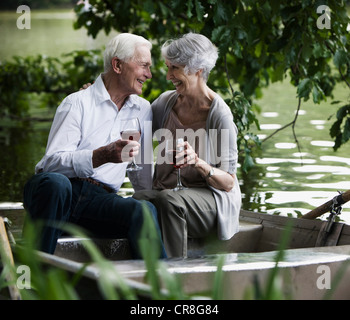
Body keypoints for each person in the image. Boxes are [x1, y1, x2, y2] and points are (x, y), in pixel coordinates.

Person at [23, 33, 167, 259]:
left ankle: (161, 288)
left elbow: (143, 172)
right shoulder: (77, 102)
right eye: (143, 66)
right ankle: (34, 277)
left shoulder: (143, 109)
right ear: (117, 65)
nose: (149, 74)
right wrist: (101, 156)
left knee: (144, 211)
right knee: (56, 183)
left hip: (99, 202)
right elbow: (50, 164)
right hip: (59, 193)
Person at [133, 33, 242, 258]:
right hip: (171, 196)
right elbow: (132, 127)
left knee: (169, 200)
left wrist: (199, 163)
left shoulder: (219, 115)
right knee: (137, 201)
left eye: (175, 68)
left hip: (211, 203)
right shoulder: (165, 104)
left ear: (198, 69)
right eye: (168, 67)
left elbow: (228, 183)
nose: (168, 75)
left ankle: (174, 274)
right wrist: (100, 97)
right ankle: (142, 270)